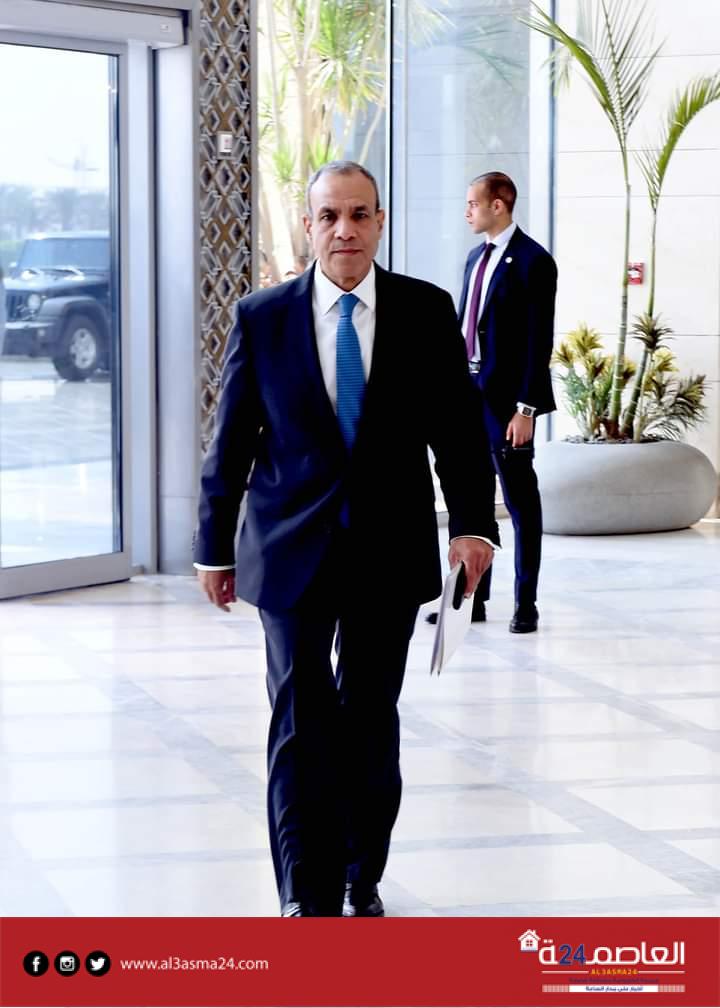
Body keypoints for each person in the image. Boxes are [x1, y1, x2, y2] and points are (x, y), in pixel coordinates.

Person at [194, 161, 499, 917]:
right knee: (299, 720)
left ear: (380, 222)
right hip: (289, 549)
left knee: (368, 719)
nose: (345, 230)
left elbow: (458, 432)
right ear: (309, 225)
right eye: (329, 216)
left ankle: (362, 876)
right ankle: (305, 891)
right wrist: (214, 546)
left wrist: (472, 525)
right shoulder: (262, 317)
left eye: (360, 215)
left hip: (388, 551)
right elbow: (230, 443)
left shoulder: (424, 310)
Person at [429, 171, 556, 634]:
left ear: (497, 205)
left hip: (507, 404)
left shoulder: (533, 261)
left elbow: (539, 341)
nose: (466, 211)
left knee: (521, 502)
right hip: (467, 395)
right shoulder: (474, 258)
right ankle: (471, 600)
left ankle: (526, 603)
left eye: (472, 203)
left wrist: (527, 408)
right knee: (473, 500)